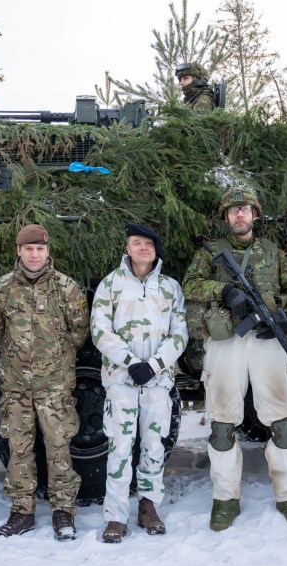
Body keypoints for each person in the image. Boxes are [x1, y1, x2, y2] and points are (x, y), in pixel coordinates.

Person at [182, 186, 287, 531]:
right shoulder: (212, 254)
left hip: (267, 341)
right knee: (223, 424)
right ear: (226, 217)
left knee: (282, 420)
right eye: (233, 210)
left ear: (255, 215)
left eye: (245, 209)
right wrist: (222, 290)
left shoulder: (273, 252)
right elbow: (189, 284)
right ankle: (225, 498)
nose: (239, 215)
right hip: (226, 342)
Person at [0, 224, 90, 541]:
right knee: (19, 449)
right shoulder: (1, 289)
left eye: (40, 249)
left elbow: (79, 332)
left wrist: (51, 361)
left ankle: (63, 512)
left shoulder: (66, 289)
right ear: (19, 251)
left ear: (48, 251)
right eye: (28, 249)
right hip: (16, 386)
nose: (34, 254)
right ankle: (22, 511)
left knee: (58, 447)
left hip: (55, 385)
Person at [91, 223, 188, 543]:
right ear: (127, 248)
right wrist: (132, 363)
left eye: (148, 243)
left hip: (157, 383)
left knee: (153, 445)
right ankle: (116, 517)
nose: (143, 248)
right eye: (136, 243)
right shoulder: (111, 284)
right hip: (121, 379)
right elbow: (100, 330)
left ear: (156, 250)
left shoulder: (170, 287)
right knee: (119, 447)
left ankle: (148, 506)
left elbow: (179, 334)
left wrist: (156, 365)